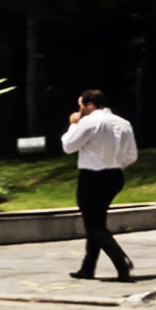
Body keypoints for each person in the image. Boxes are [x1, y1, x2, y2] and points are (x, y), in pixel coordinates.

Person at [60, 86, 138, 277]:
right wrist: (117, 165)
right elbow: (132, 155)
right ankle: (88, 268)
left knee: (93, 226)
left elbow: (68, 146)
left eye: (81, 106)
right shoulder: (123, 122)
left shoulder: (89, 122)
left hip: (92, 177)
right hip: (115, 176)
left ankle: (121, 259)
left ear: (90, 104)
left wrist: (73, 124)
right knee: (97, 221)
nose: (80, 110)